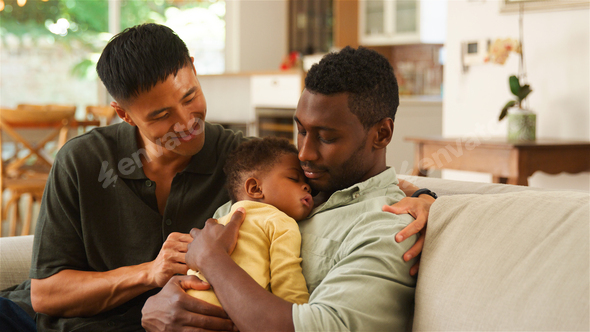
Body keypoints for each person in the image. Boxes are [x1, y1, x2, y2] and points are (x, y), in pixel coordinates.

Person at [0, 24, 432, 331]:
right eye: (162, 115)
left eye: (191, 98)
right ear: (123, 113)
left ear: (193, 66)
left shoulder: (243, 161)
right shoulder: (82, 160)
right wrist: (149, 273)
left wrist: (427, 196)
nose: (188, 123)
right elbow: (44, 294)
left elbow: (350, 173)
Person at [142, 46, 434, 332]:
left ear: (381, 134)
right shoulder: (280, 186)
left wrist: (212, 260)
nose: (304, 153)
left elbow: (322, 326)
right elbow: (195, 268)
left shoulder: (386, 224)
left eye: (327, 138)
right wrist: (162, 302)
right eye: (302, 131)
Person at [186, 137, 311, 307]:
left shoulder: (216, 223)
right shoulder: (279, 222)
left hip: (187, 307)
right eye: (294, 178)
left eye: (306, 183)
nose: (306, 187)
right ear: (255, 188)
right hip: (230, 316)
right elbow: (287, 279)